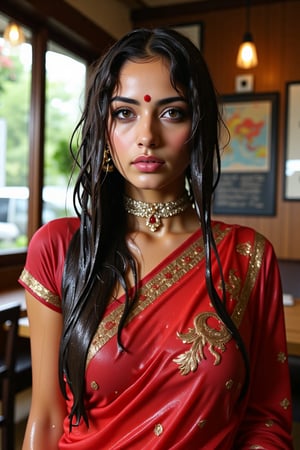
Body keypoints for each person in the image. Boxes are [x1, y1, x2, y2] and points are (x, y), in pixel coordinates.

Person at [19, 28, 293, 449]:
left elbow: (266, 418)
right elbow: (47, 416)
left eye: (172, 113)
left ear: (197, 128)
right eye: (125, 113)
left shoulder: (247, 256)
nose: (147, 135)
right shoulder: (59, 247)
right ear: (105, 130)